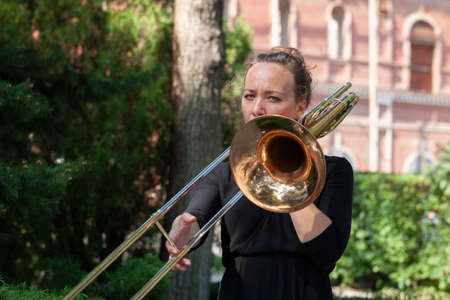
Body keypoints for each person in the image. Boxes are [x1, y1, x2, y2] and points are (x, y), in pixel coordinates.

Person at [166, 46, 354, 300]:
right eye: (249, 96)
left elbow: (326, 250)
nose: (256, 109)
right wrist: (184, 230)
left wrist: (291, 172)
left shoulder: (334, 171)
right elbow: (197, 215)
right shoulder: (226, 171)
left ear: (301, 105)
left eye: (273, 98)